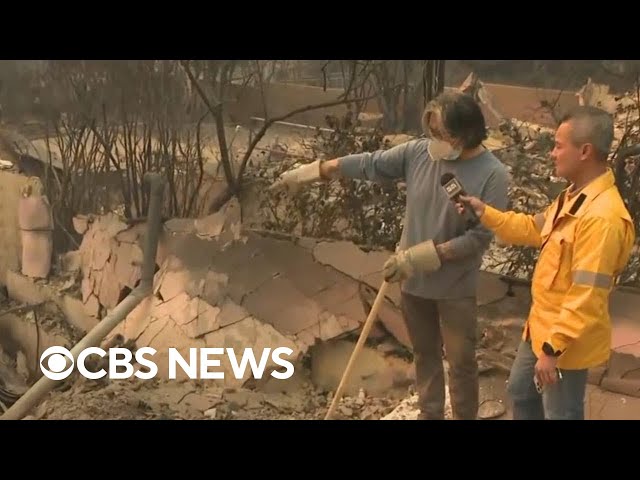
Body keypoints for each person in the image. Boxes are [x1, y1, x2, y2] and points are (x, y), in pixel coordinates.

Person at [269, 91, 510, 420]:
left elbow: (479, 239)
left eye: (442, 134)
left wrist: (418, 257)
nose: (434, 140)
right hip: (413, 284)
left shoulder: (493, 175)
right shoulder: (418, 154)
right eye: (432, 132)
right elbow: (370, 163)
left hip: (454, 289)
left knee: (461, 365)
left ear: (466, 132)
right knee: (424, 358)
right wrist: (316, 171)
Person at [457, 105, 636, 420]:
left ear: (584, 151)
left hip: (564, 343)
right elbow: (532, 228)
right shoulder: (573, 197)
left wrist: (553, 350)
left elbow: (587, 296)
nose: (552, 153)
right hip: (540, 329)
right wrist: (484, 212)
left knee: (561, 413)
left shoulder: (602, 218)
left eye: (558, 145)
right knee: (520, 392)